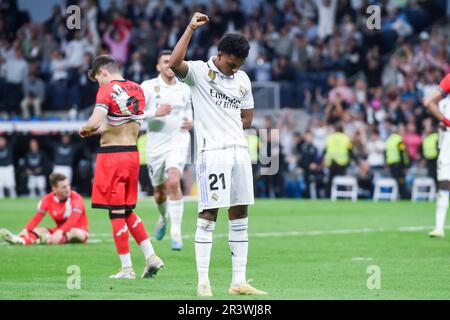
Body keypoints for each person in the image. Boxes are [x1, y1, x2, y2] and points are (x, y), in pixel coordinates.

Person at [170, 12, 267, 297]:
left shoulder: (243, 79)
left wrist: (229, 119)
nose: (234, 70)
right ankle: (203, 282)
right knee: (208, 214)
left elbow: (247, 118)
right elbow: (175, 63)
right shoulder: (199, 72)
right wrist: (189, 27)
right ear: (219, 54)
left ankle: (239, 281)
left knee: (240, 214)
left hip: (239, 152)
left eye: (239, 66)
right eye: (231, 64)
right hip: (212, 152)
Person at [79, 55, 164, 279]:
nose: (99, 83)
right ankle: (151, 257)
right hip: (132, 154)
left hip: (112, 156)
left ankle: (126, 268)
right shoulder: (137, 89)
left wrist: (85, 129)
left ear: (104, 72)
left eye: (98, 78)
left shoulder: (107, 90)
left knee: (116, 213)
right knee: (127, 210)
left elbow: (95, 121)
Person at [141, 50, 192, 250]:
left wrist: (192, 121)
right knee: (160, 192)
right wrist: (155, 112)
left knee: (173, 180)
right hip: (156, 145)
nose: (169, 65)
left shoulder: (185, 88)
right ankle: (163, 218)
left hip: (178, 139)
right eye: (165, 62)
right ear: (158, 66)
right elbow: (134, 113)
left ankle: (176, 233)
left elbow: (189, 110)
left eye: (172, 62)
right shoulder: (148, 87)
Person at [0, 173, 88, 245]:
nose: (68, 189)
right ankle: (20, 240)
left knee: (73, 232)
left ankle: (46, 240)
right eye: (63, 187)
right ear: (55, 189)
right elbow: (37, 218)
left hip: (79, 232)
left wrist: (60, 232)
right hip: (60, 231)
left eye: (68, 185)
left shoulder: (77, 198)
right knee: (38, 230)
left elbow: (72, 220)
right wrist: (26, 229)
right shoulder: (47, 200)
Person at [424, 74, 450, 237]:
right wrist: (445, 124)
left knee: (444, 183)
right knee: (444, 183)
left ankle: (439, 227)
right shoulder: (445, 102)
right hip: (447, 141)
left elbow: (429, 102)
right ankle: (439, 226)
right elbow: (429, 103)